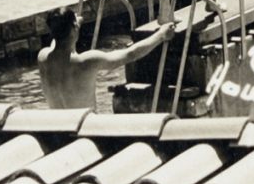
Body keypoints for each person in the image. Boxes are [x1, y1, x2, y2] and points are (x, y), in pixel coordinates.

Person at [38, 10, 176, 110]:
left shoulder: (43, 58)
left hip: (59, 129)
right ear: (74, 28)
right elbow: (130, 54)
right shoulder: (87, 61)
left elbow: (57, 42)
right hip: (84, 127)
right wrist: (161, 35)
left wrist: (73, 24)